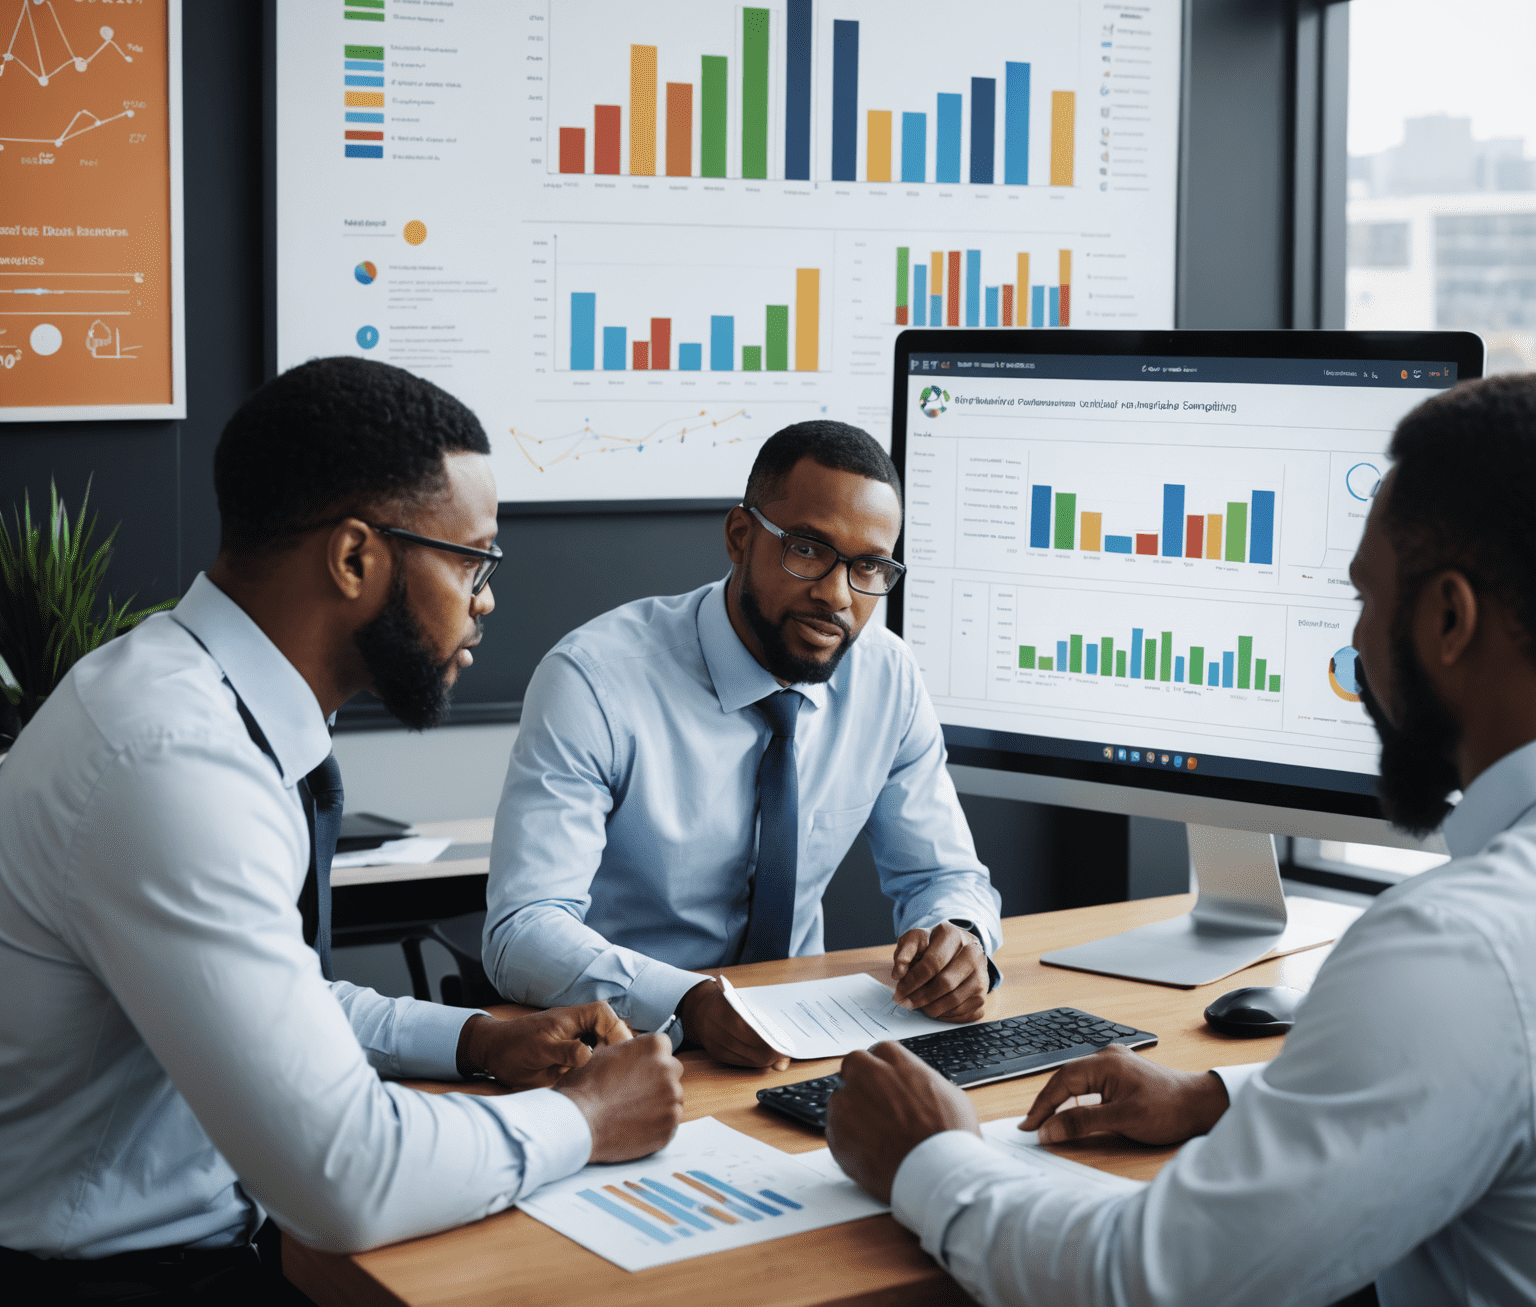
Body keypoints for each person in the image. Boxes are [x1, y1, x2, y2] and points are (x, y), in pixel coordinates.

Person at [824, 373, 1536, 1306]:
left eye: (1366, 598)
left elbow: (1146, 1282)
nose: (1355, 643)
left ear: (1448, 619)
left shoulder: (1458, 948)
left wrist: (929, 1157)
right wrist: (1218, 1097)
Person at [0, 358, 683, 1300]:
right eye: (471, 559)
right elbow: (344, 1177)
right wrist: (588, 1118)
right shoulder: (169, 761)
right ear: (356, 558)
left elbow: (279, 999)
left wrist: (478, 1040)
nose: (485, 598)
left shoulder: (208, 699)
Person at [483, 420, 1003, 1070]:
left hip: (804, 1040)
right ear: (740, 537)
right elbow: (521, 932)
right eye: (809, 550)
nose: (837, 596)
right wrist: (687, 1001)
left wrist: (962, 937)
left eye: (868, 566)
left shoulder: (887, 676)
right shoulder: (595, 680)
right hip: (627, 1046)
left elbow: (943, 876)